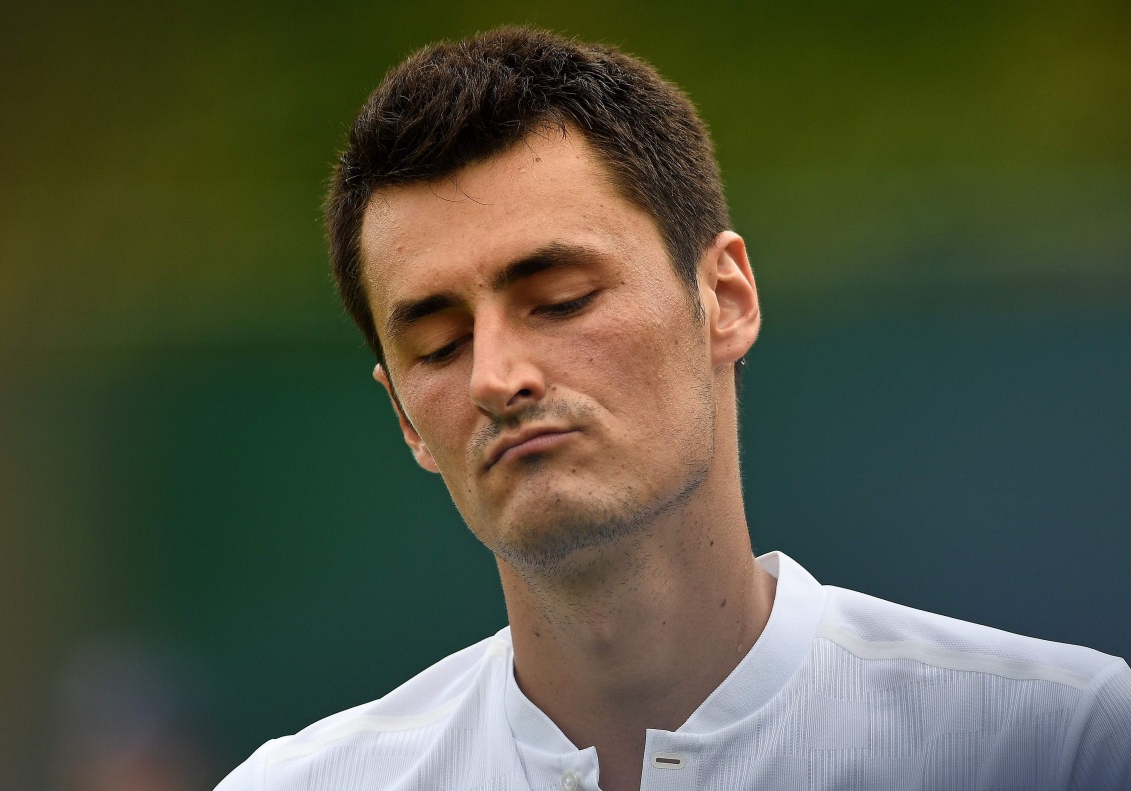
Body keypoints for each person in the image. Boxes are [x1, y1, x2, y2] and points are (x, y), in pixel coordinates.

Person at [217, 27, 1131, 791]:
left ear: (724, 299)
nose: (497, 375)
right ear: (406, 419)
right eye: (439, 345)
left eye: (563, 297)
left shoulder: (1064, 744)